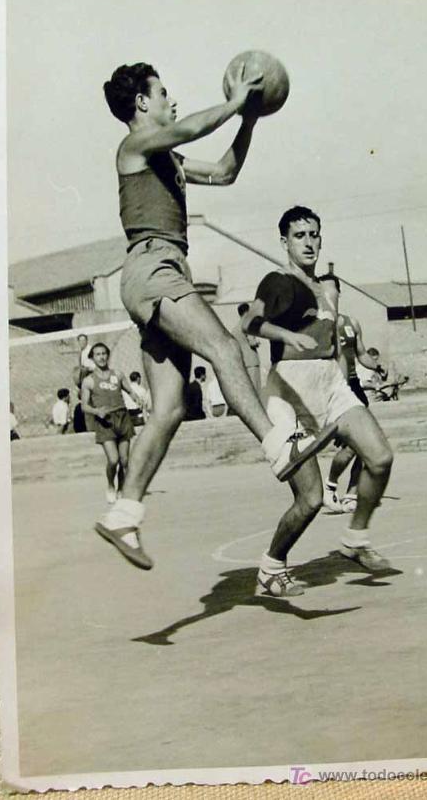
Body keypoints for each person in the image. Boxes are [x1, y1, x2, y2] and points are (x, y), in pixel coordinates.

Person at [96, 62, 338, 569]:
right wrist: (233, 102)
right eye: (163, 92)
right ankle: (278, 445)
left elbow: (225, 172)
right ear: (141, 103)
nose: (171, 100)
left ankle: (123, 513)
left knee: (168, 409)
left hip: (161, 271)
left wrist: (248, 119)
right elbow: (187, 126)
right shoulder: (135, 148)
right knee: (226, 347)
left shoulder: (170, 157)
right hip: (154, 268)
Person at [243, 206, 394, 597]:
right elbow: (250, 324)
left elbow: (339, 347)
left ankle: (354, 539)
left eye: (314, 234)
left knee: (379, 458)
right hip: (289, 392)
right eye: (299, 236)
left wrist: (350, 377)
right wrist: (287, 336)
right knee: (310, 499)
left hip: (329, 385)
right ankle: (272, 566)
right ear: (284, 243)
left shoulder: (327, 290)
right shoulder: (277, 282)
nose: (308, 242)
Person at [323, 313, 381, 514]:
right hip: (334, 389)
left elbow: (362, 353)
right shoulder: (318, 325)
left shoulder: (352, 323)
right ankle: (330, 486)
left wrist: (377, 367)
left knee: (365, 444)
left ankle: (351, 493)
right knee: (350, 447)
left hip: (355, 388)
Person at [81, 343, 139, 504]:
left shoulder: (118, 374)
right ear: (92, 358)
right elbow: (84, 405)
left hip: (122, 417)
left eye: (104, 353)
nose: (101, 357)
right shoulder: (89, 381)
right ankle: (110, 486)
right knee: (113, 460)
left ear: (108, 355)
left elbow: (130, 390)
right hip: (105, 421)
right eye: (98, 354)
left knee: (124, 460)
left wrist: (135, 396)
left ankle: (121, 488)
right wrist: (96, 411)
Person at [232, 303, 261, 394]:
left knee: (248, 390)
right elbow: (252, 342)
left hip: (243, 362)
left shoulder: (235, 328)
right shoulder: (248, 325)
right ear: (247, 311)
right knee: (256, 390)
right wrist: (257, 342)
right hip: (252, 361)